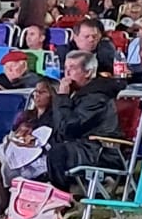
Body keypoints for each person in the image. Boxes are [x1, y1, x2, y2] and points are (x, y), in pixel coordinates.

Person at [45, 50, 123, 192]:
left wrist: (62, 97)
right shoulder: (78, 94)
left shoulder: (96, 97)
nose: (67, 74)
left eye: (73, 68)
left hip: (98, 150)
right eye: (66, 68)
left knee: (58, 153)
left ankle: (62, 198)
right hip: (81, 144)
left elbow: (69, 127)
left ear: (88, 73)